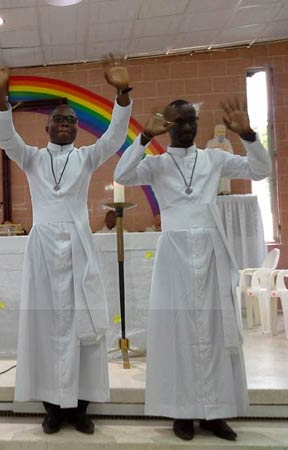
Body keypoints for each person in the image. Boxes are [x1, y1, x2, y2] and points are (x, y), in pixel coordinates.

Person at [0, 56, 132, 434]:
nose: (65, 123)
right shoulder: (32, 158)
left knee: (83, 326)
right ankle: (52, 407)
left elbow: (115, 137)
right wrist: (1, 95)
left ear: (78, 130)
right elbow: (6, 138)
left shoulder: (86, 157)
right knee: (46, 327)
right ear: (47, 127)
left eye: (71, 120)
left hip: (79, 248)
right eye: (59, 119)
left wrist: (121, 93)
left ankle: (80, 407)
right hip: (44, 253)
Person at [114, 98, 270, 441]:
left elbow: (260, 171)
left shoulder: (214, 159)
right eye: (179, 122)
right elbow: (121, 174)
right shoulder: (157, 164)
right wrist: (143, 138)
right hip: (174, 256)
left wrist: (248, 135)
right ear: (167, 125)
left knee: (214, 332)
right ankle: (182, 411)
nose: (186, 127)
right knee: (178, 333)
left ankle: (216, 412)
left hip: (211, 252)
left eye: (191, 121)